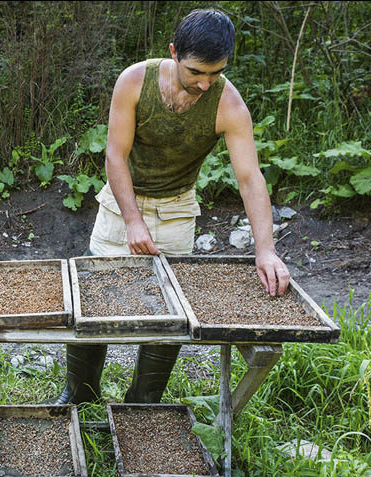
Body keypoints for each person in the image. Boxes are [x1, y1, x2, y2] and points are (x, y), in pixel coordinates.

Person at [50, 9, 291, 405]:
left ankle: (143, 403)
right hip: (119, 204)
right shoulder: (133, 81)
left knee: (170, 315)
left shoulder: (228, 104)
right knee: (93, 300)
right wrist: (132, 221)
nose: (205, 83)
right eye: (197, 72)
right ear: (174, 52)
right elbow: (114, 154)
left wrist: (265, 250)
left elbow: (250, 178)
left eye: (215, 73)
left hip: (176, 210)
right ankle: (79, 394)